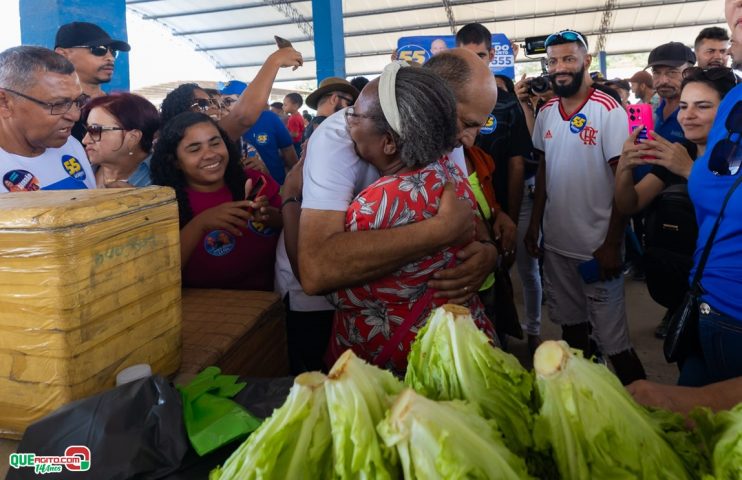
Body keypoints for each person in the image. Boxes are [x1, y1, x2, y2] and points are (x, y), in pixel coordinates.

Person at [327, 64, 495, 375]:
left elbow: (333, 288)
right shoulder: (450, 172)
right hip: (459, 342)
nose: (348, 121)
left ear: (389, 141)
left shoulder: (375, 205)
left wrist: (291, 199)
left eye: (357, 115)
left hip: (405, 359)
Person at [297, 49, 499, 307]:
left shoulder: (446, 134)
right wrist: (441, 231)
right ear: (430, 100)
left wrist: (488, 251)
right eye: (467, 123)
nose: (469, 140)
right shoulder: (341, 137)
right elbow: (316, 269)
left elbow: (465, 206)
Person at [629, 0, 742, 400]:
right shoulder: (673, 144)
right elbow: (629, 205)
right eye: (686, 106)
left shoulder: (700, 160)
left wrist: (687, 170)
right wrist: (623, 167)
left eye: (704, 106)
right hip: (697, 300)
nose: (688, 115)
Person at [524, 30, 646, 385]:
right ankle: (589, 400)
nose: (559, 68)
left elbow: (622, 180)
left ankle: (650, 416)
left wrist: (612, 244)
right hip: (557, 246)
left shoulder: (608, 109)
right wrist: (535, 226)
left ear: (586, 62)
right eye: (552, 61)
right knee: (572, 335)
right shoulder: (546, 111)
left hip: (596, 248)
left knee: (615, 345)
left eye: (568, 59)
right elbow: (545, 169)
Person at [455, 22, 534, 350]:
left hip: (498, 205)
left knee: (501, 275)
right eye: (466, 55)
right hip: (461, 213)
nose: (475, 62)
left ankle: (512, 333)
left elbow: (518, 162)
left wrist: (509, 217)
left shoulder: (506, 102)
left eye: (481, 55)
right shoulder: (437, 103)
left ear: (491, 56)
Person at [150, 112, 282, 291]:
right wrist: (200, 224)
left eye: (215, 143)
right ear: (175, 162)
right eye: (195, 149)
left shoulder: (256, 180)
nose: (210, 154)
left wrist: (269, 216)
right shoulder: (164, 204)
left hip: (273, 303)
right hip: (208, 311)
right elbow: (160, 274)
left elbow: (294, 227)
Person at [0, 46, 94, 192]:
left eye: (78, 101)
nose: (75, 116)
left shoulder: (71, 145)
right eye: (58, 104)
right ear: (4, 103)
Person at [161, 47, 303, 142]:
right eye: (203, 104)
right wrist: (275, 60)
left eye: (212, 102)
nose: (216, 108)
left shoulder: (268, 119)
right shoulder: (185, 140)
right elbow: (243, 117)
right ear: (179, 112)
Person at [54, 22, 130, 142]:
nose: (110, 57)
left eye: (113, 51)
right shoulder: (51, 109)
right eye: (99, 49)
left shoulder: (121, 106)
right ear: (63, 54)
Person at [81, 92, 160, 188]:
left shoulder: (165, 178)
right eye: (87, 130)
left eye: (95, 130)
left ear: (133, 138)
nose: (85, 140)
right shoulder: (77, 172)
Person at [649, 42, 697, 145]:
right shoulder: (655, 110)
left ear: (690, 73)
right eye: (656, 73)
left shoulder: (699, 113)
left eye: (672, 72)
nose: (663, 81)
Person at [303, 77, 358, 142]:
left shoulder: (312, 126)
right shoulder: (332, 128)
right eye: (348, 103)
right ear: (334, 99)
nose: (349, 108)